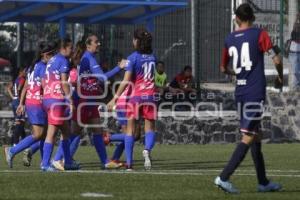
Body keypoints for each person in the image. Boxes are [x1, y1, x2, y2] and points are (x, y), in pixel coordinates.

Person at [214, 3, 282, 193]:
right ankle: (223, 177)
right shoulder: (260, 34)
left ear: (237, 19)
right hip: (254, 92)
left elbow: (222, 68)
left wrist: (237, 73)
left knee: (256, 134)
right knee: (249, 135)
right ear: (252, 18)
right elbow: (276, 59)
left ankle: (263, 182)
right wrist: (280, 77)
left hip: (240, 92)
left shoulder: (229, 38)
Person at [108, 28, 157, 170]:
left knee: (130, 130)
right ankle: (147, 149)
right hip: (151, 96)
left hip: (136, 97)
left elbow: (126, 80)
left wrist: (114, 99)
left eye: (133, 39)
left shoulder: (132, 58)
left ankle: (129, 164)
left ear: (137, 41)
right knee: (150, 128)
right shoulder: (153, 57)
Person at [78, 34, 127, 169]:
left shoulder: (90, 57)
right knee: (74, 132)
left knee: (97, 131)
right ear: (88, 45)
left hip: (90, 99)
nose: (99, 44)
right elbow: (102, 78)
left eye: (99, 42)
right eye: (96, 42)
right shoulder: (88, 57)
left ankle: (105, 161)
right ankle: (59, 159)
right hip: (86, 99)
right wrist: (119, 67)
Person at [4, 41, 56, 168]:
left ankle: (45, 163)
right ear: (45, 55)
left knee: (45, 134)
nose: (53, 57)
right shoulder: (43, 67)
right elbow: (45, 85)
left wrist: (22, 103)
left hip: (32, 102)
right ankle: (12, 151)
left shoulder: (32, 66)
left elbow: (26, 86)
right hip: (36, 103)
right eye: (52, 54)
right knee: (39, 134)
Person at [41, 38, 78, 171]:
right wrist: (70, 100)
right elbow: (64, 82)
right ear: (64, 48)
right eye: (70, 47)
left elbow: (44, 80)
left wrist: (48, 94)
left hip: (48, 98)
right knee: (51, 133)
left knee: (66, 131)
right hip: (56, 100)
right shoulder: (63, 61)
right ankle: (45, 164)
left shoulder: (51, 60)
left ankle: (67, 162)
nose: (72, 50)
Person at [51, 40, 86, 171]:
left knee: (70, 132)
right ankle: (60, 159)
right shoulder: (70, 68)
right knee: (71, 132)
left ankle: (64, 159)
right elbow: (67, 84)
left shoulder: (70, 66)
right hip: (70, 102)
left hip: (72, 101)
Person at [6, 66, 27, 145]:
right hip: (18, 102)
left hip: (14, 101)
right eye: (24, 71)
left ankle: (24, 143)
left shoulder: (15, 79)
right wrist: (19, 98)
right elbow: (19, 89)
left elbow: (8, 88)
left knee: (20, 122)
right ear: (20, 72)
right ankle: (15, 142)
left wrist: (13, 97)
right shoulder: (22, 79)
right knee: (20, 122)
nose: (26, 73)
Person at [289, 13, 300, 90]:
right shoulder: (295, 27)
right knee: (295, 71)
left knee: (297, 71)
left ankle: (295, 86)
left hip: (297, 52)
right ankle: (296, 86)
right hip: (293, 52)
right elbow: (294, 37)